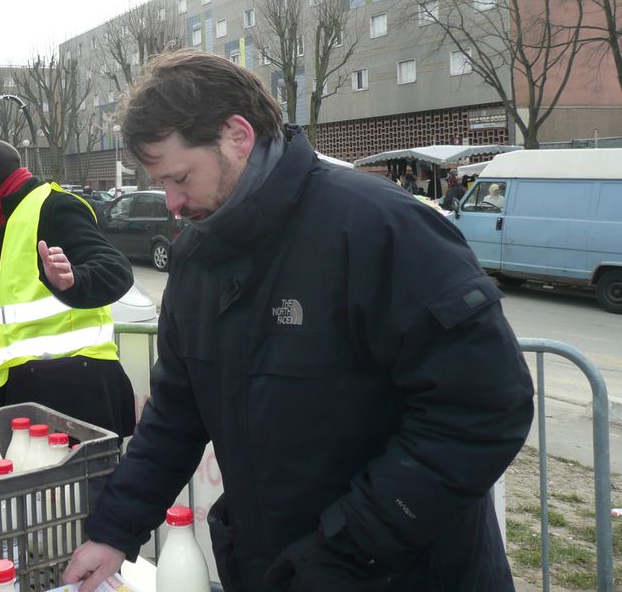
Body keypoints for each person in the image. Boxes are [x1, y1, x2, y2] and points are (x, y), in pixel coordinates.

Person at [64, 51, 534, 592]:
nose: (170, 202)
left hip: (403, 569)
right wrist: (113, 532)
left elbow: (482, 408)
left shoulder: (378, 227)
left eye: (180, 177)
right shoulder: (197, 257)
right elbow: (176, 412)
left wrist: (345, 549)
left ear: (237, 135)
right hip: (276, 567)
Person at [0, 139, 136, 438]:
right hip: (37, 390)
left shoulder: (52, 207)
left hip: (76, 393)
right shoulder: (9, 220)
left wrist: (73, 279)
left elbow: (115, 269)